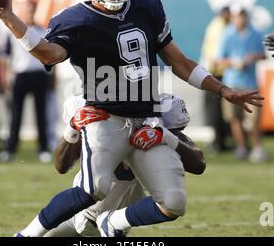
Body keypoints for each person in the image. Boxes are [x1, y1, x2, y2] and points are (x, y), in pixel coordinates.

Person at [0, 0, 263, 237]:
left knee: (174, 202)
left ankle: (113, 223)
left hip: (144, 119)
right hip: (104, 118)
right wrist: (9, 18)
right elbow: (49, 54)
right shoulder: (75, 19)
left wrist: (222, 90)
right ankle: (26, 235)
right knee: (94, 188)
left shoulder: (145, 2)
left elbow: (178, 61)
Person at [45, 93, 206, 237]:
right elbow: (61, 166)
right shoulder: (92, 106)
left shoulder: (157, 112)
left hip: (118, 219)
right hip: (81, 211)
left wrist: (166, 136)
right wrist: (72, 128)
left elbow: (199, 164)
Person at [0, 0, 51, 163]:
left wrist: (52, 78)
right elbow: (4, 57)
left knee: (41, 114)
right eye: (27, 10)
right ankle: (10, 149)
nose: (30, 13)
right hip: (21, 75)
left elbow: (49, 56)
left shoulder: (42, 30)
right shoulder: (13, 31)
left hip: (39, 75)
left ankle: (43, 148)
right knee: (16, 114)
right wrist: (4, 77)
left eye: (32, 10)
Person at [216, 5, 267, 162]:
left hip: (250, 84)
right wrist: (234, 63)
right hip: (231, 84)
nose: (240, 19)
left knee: (253, 119)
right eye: (237, 16)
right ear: (232, 17)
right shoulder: (227, 35)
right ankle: (242, 147)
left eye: (242, 15)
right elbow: (219, 61)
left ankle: (258, 148)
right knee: (234, 118)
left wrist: (254, 57)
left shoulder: (256, 34)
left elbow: (263, 55)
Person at [200, 6, 231, 151]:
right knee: (216, 110)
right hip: (214, 73)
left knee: (217, 109)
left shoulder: (217, 25)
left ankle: (220, 141)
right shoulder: (219, 28)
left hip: (212, 71)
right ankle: (218, 142)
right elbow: (215, 56)